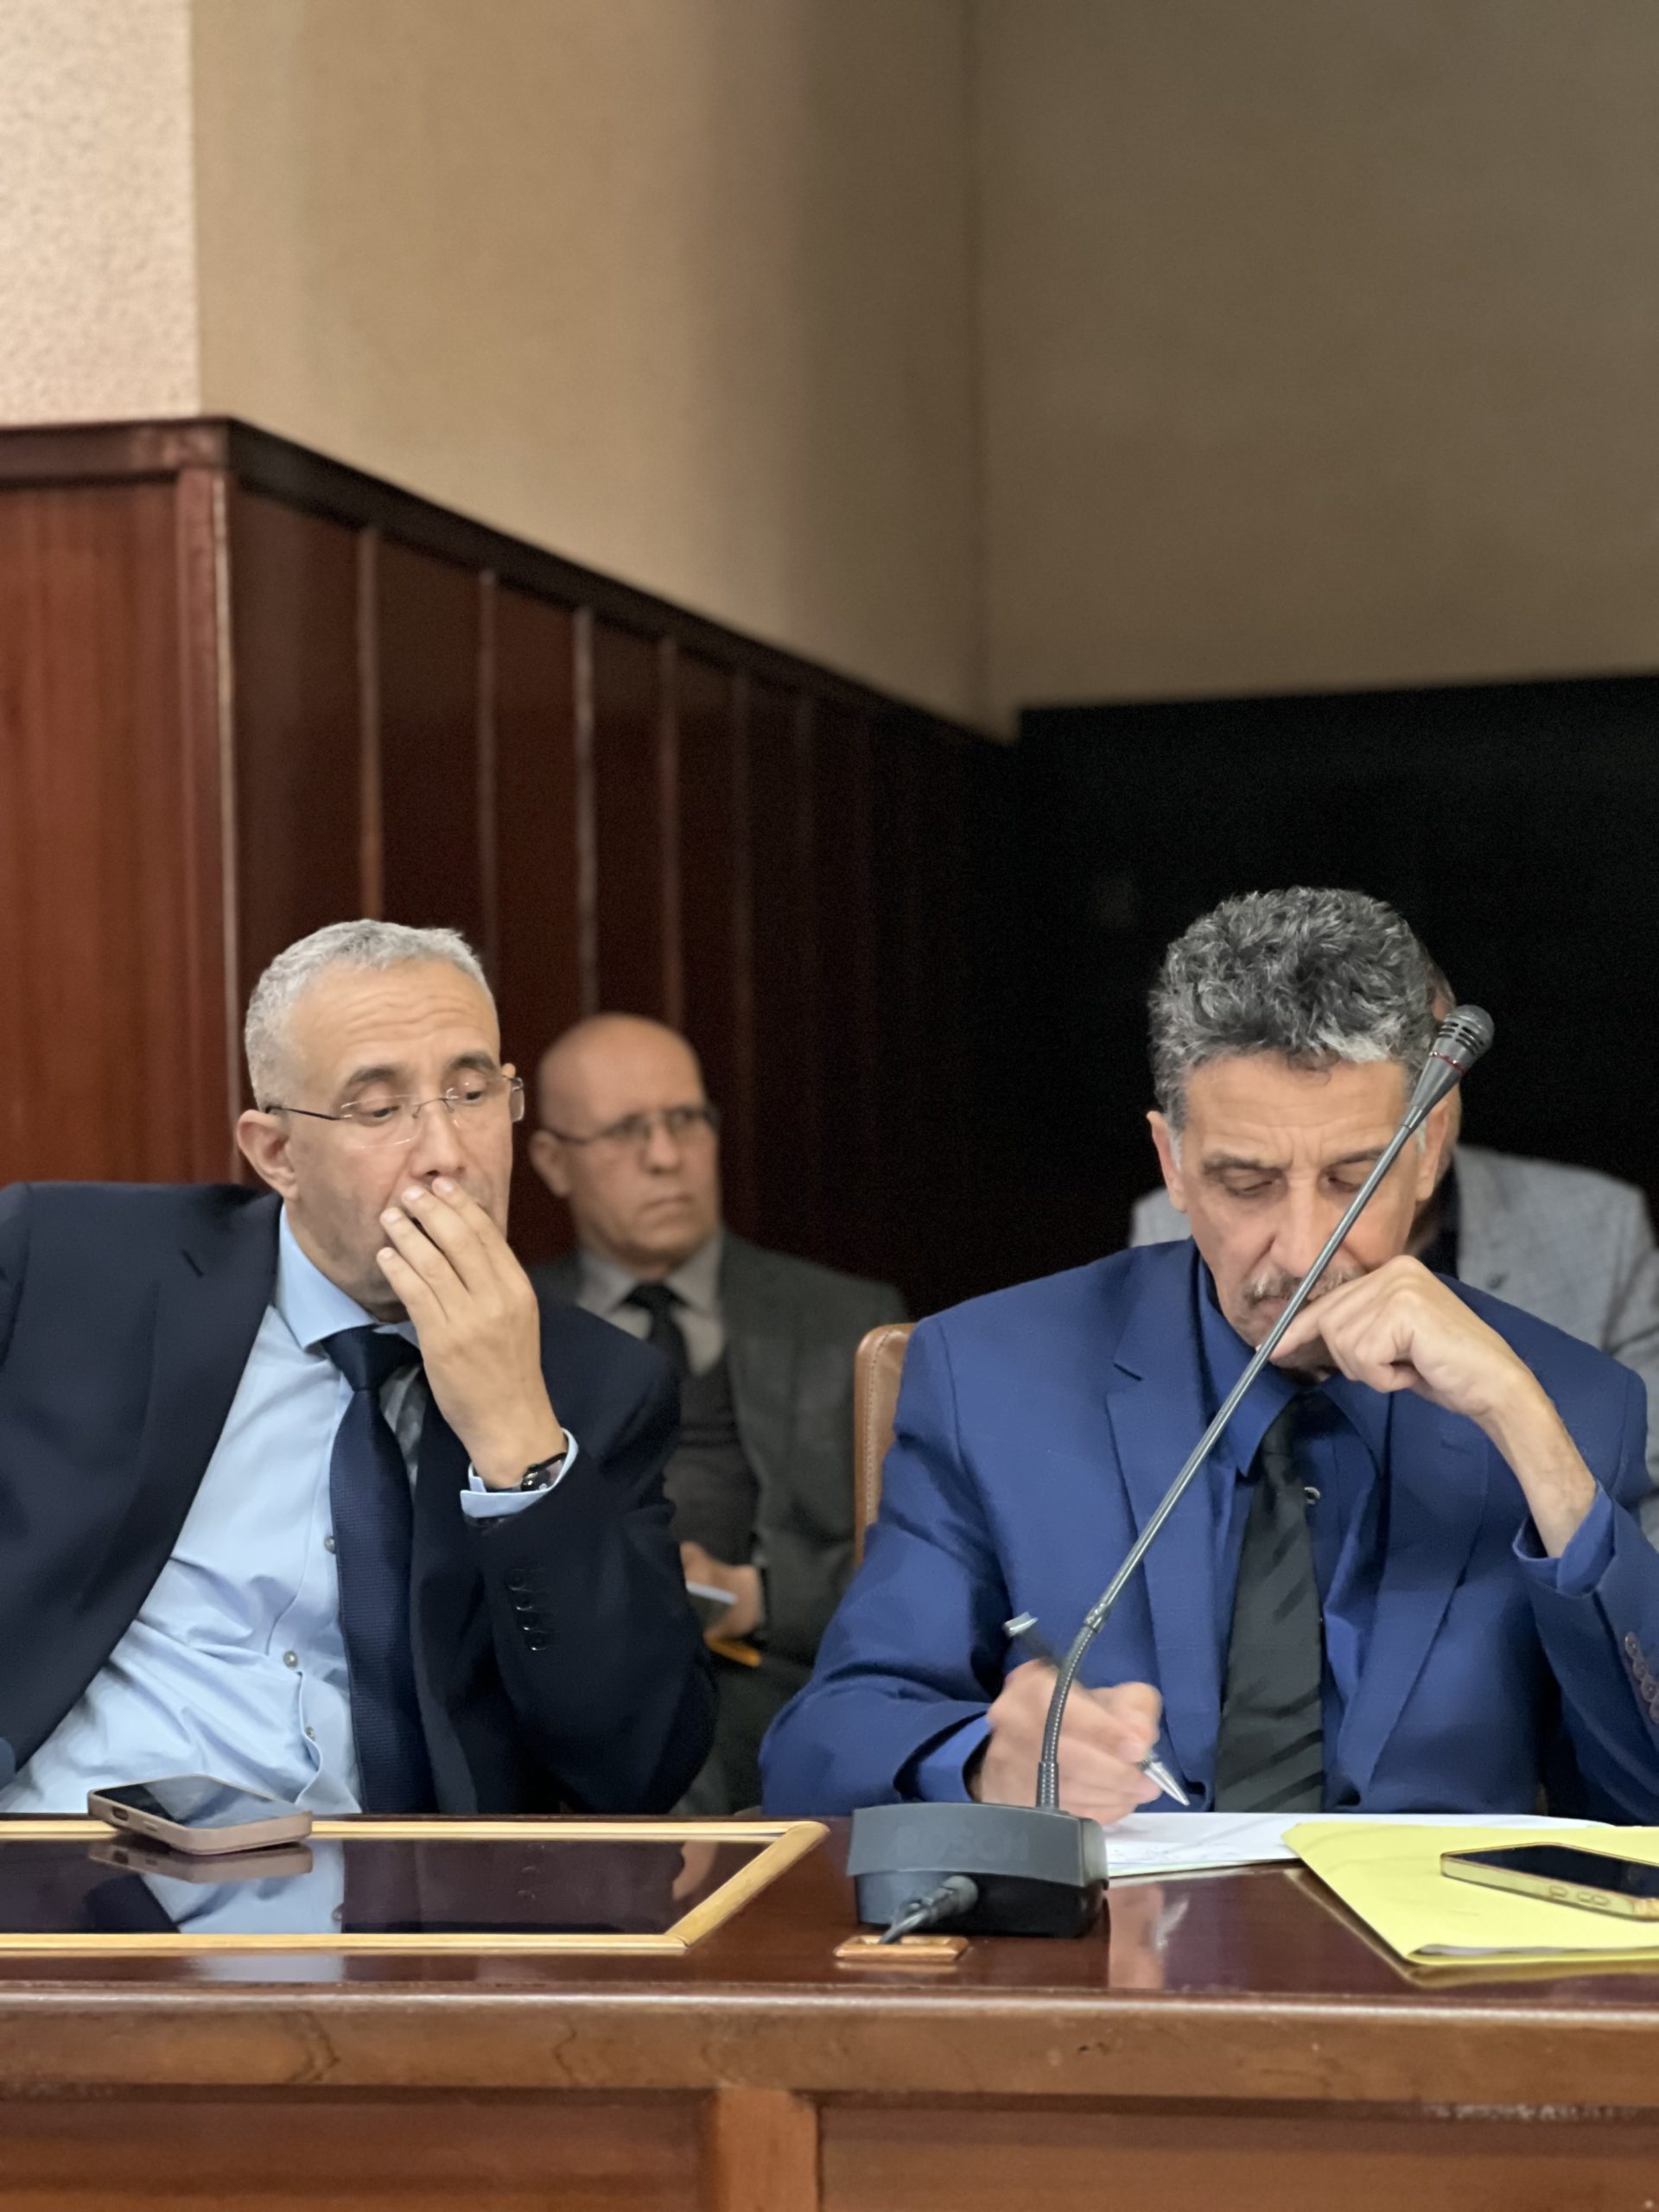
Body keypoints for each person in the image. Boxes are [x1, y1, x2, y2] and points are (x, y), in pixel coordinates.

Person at [763, 887, 1659, 1824]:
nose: (1305, 1248)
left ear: (1430, 1148)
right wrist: (985, 1762)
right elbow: (820, 1749)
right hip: (1116, 1917)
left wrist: (1531, 1439)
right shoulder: (987, 1374)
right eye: (1247, 1183)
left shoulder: (1569, 1404)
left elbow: (1643, 1806)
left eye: (1353, 1178)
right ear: (1173, 1164)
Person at [0, 921, 714, 1816]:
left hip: (368, 1882)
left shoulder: (598, 1386)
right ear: (277, 1153)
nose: (447, 1152)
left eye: (471, 1093)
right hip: (60, 1848)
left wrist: (517, 1441)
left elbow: (639, 1763)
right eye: (380, 1111)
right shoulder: (64, 1263)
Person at [527, 1014, 905, 1812]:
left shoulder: (848, 1322)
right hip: (585, 1714)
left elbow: (924, 1556)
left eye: (686, 1120)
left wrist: (756, 1592)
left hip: (789, 1695)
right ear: (554, 1162)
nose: (667, 1157)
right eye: (626, 1131)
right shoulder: (510, 1328)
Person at [1129, 969, 1659, 1497]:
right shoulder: (1167, 1228)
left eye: (1430, 1074)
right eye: (1249, 1186)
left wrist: (1516, 1407)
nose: (1301, 1253)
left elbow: (1644, 1517)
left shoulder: (1600, 1230)